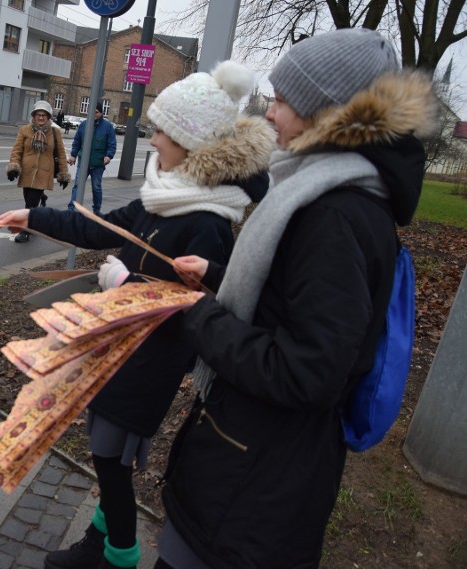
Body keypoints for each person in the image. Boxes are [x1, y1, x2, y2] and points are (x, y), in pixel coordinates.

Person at [156, 29, 436, 569]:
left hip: (256, 480)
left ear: (324, 112)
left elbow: (307, 370)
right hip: (258, 465)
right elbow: (295, 299)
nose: (271, 115)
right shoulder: (336, 194)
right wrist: (217, 275)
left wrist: (200, 317)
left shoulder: (332, 213)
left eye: (282, 101)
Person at [0, 61, 274, 569]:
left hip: (149, 367)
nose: (153, 142)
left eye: (163, 132)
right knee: (106, 450)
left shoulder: (207, 222)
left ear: (192, 144)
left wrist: (128, 285)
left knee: (110, 459)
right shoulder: (163, 200)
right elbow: (98, 229)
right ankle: (98, 541)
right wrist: (33, 216)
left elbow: (202, 308)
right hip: (117, 351)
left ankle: (119, 557)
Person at [6, 100, 71, 243]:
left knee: (30, 204)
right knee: (28, 197)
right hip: (27, 172)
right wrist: (14, 166)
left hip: (44, 172)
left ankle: (26, 231)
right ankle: (42, 199)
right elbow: (17, 150)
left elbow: (61, 154)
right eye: (38, 114)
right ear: (34, 116)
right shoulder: (25, 130)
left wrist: (63, 174)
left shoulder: (55, 132)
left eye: (44, 115)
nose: (41, 117)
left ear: (48, 117)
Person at [67, 102, 116, 215]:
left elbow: (112, 144)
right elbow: (77, 141)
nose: (94, 114)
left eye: (97, 112)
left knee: (96, 187)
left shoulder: (107, 127)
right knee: (78, 185)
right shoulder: (84, 125)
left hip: (98, 164)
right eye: (92, 112)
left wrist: (108, 156)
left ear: (102, 113)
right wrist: (73, 155)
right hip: (83, 162)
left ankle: (96, 211)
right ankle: (72, 209)